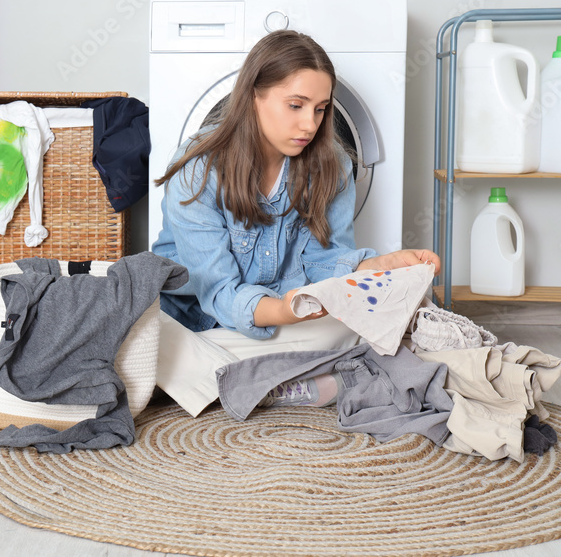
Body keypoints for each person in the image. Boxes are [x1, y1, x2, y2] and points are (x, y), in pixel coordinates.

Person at [151, 29, 441, 416]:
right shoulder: (198, 168)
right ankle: (305, 375)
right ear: (254, 96)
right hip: (197, 318)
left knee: (400, 308)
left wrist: (379, 267)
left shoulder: (333, 165)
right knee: (143, 334)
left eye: (321, 109)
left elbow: (326, 260)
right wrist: (285, 311)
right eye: (296, 105)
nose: (310, 125)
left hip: (282, 316)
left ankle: (244, 380)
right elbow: (218, 293)